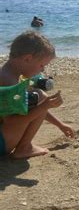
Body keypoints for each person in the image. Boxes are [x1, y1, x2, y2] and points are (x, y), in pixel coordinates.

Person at [0, 30, 75, 158]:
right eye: (42, 65)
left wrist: (60, 124)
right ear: (28, 58)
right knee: (40, 96)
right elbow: (11, 123)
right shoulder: (9, 82)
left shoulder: (8, 73)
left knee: (38, 96)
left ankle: (25, 146)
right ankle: (24, 148)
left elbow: (32, 106)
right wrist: (45, 106)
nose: (42, 70)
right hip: (2, 143)